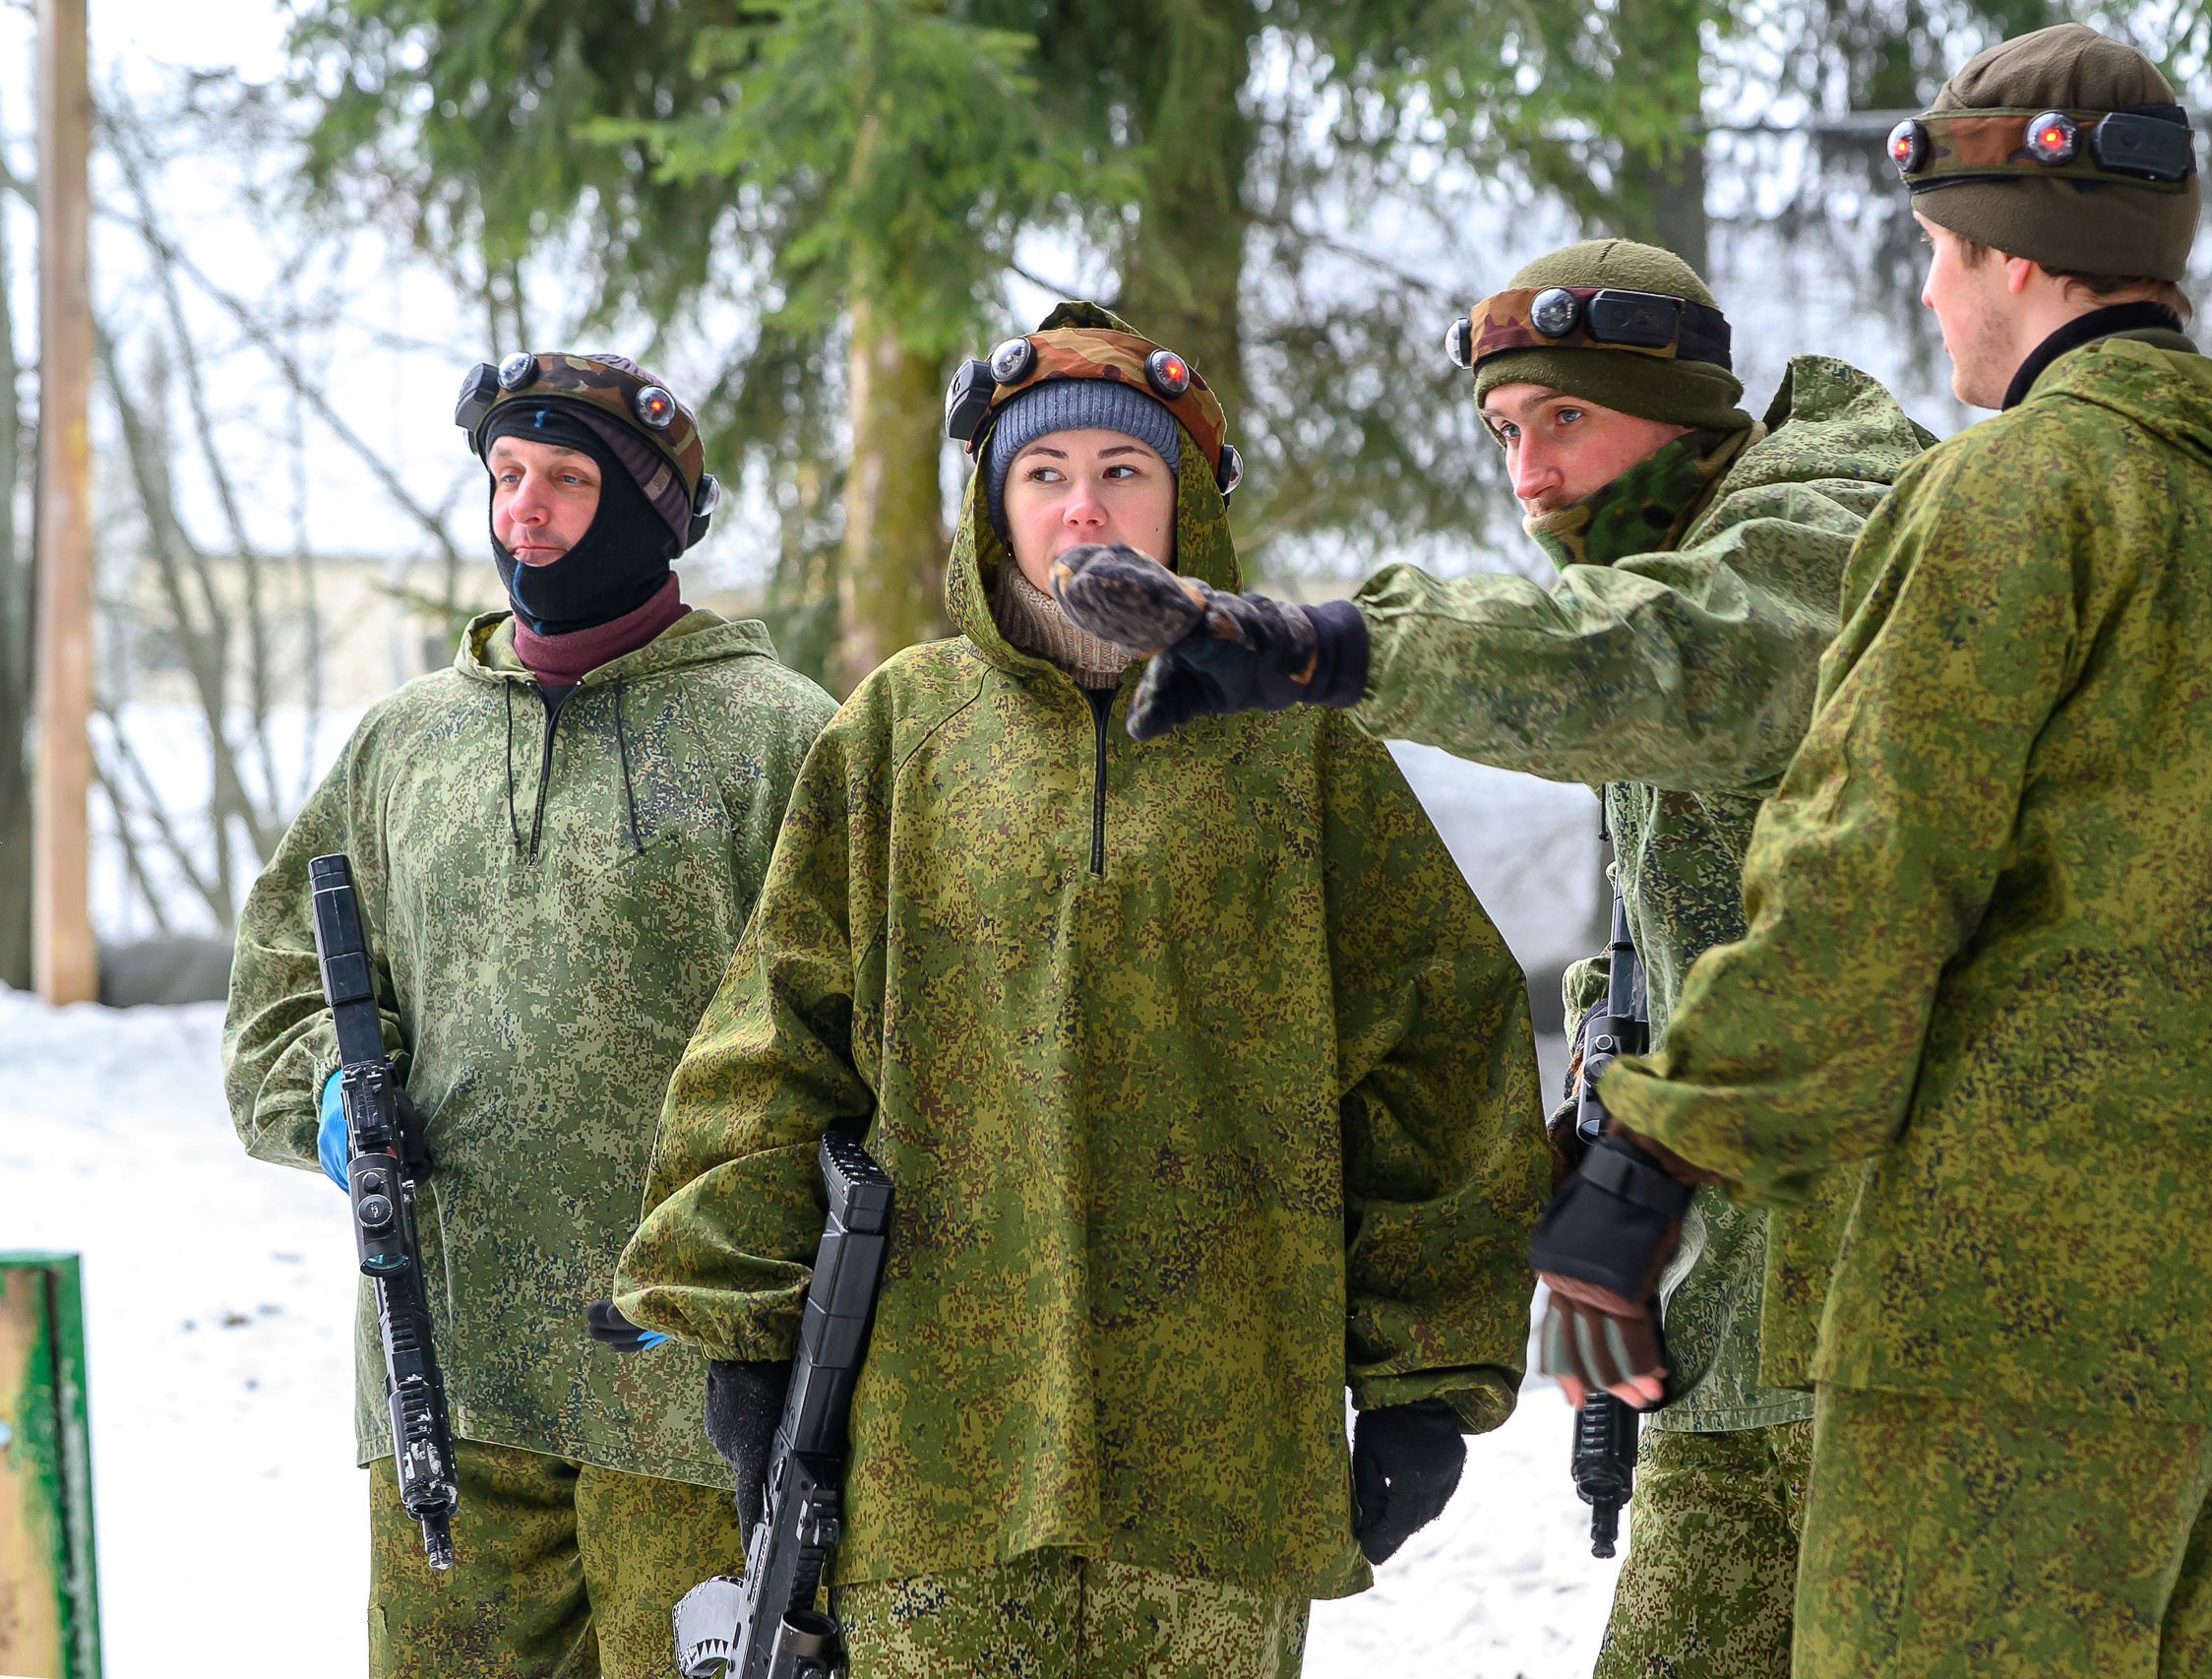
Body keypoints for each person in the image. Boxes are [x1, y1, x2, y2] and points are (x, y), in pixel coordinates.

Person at [1528, 25, 2212, 1678]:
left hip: (2003, 1345)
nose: (1932, 296)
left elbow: (1864, 886)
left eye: (1941, 254)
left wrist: (1641, 1166)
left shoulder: (2013, 496)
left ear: (2020, 259)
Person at [610, 301, 1548, 1678]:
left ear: (1187, 507)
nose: (1083, 507)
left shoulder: (1299, 751)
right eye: (1043, 476)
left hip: (1223, 1469)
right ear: (995, 511)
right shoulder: (901, 739)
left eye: (1125, 470)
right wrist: (746, 1346)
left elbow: (1447, 1057)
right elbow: (776, 1046)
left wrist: (1423, 1379)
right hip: (940, 1469)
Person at [1053, 241, 1934, 1678]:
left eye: (1564, 422)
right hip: (1738, 1349)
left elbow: (1659, 662)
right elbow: (1702, 902)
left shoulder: (1823, 536)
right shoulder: (1672, 558)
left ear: (1681, 403)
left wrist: (1325, 646)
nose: (1529, 476)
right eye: (1505, 434)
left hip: (1903, 1347)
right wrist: (1602, 1087)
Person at [222, 352, 837, 1678]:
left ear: (658, 511)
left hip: (695, 1410)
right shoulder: (403, 747)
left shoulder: (781, 739)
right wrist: (334, 1100)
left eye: (568, 479)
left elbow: (861, 1043)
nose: (528, 513)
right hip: (446, 1377)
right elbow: (278, 990)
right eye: (508, 477)